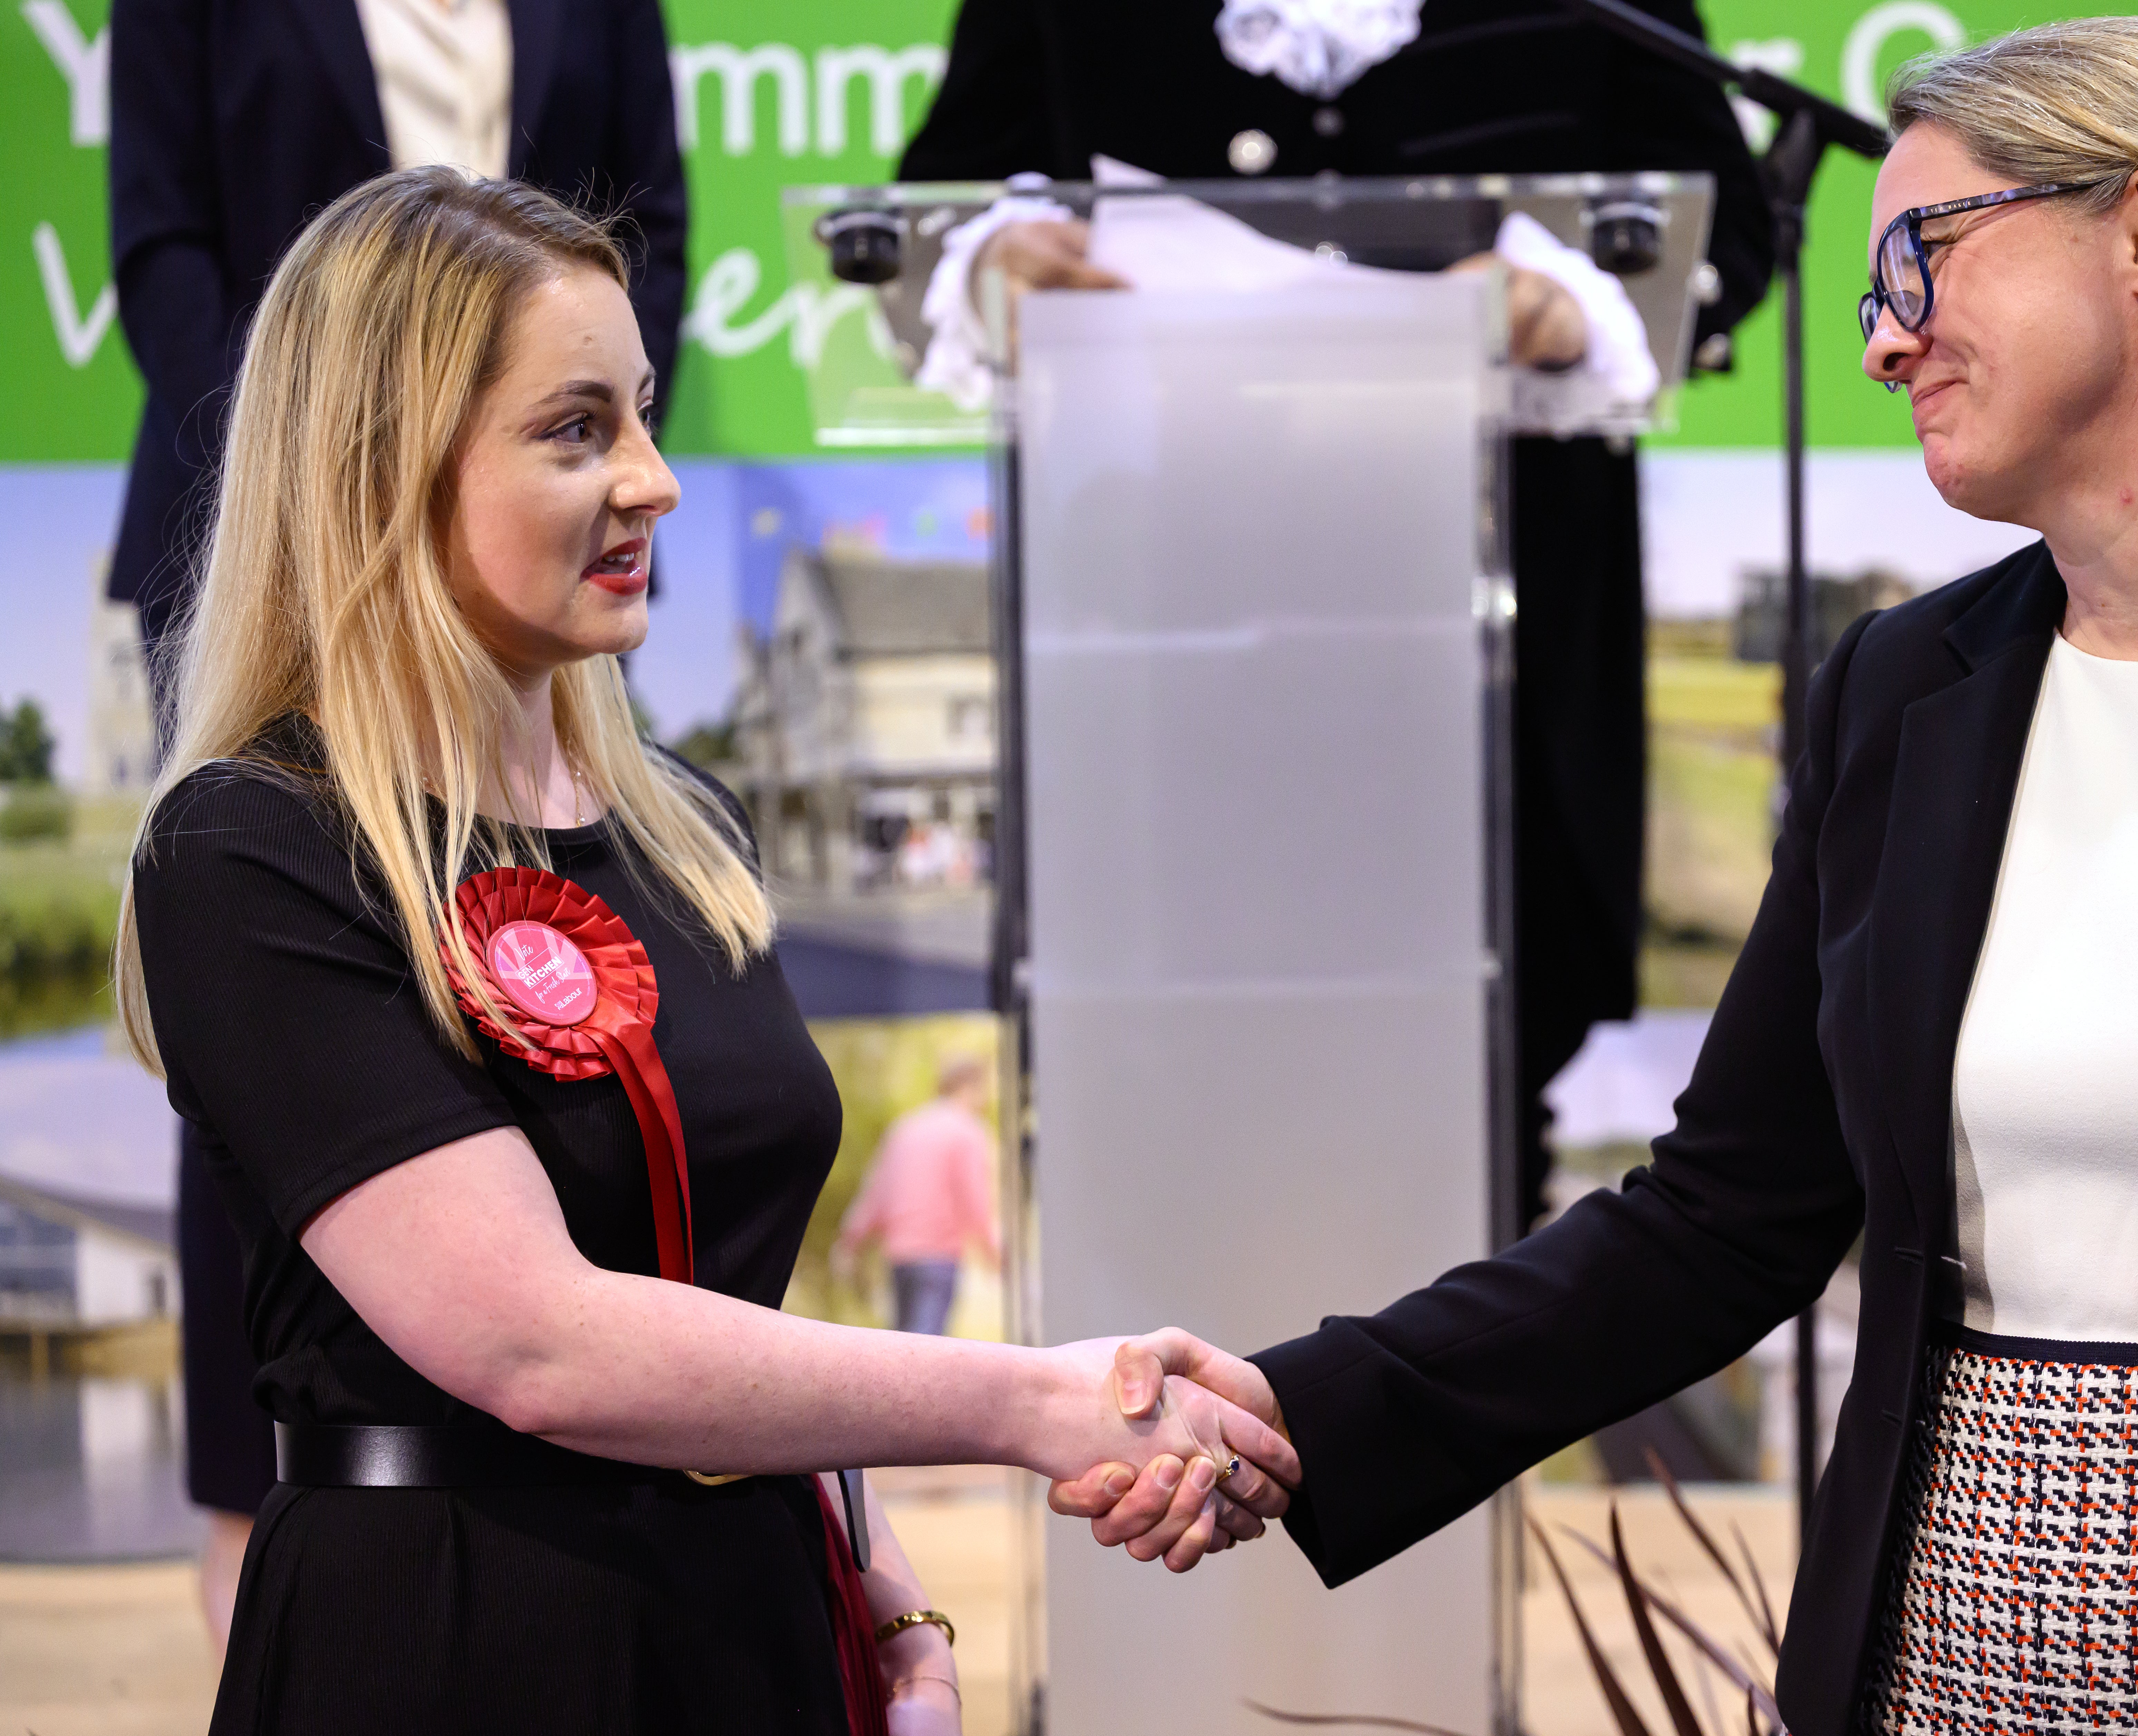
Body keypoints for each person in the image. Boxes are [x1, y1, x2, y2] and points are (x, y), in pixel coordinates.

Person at [1052, 18, 2138, 1734]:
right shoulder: (1901, 695)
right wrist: (1294, 1409)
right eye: (1873, 289)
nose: (1881, 342)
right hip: (1944, 1648)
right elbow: (1717, 1220)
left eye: (1919, 260)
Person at [116, 169, 1292, 1734]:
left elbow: (734, 1284)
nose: (655, 481)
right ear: (381, 466)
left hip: (752, 1625)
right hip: (455, 1648)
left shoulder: (690, 829)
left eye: (643, 416)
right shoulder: (251, 850)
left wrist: (882, 1590)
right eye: (577, 429)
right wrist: (1036, 1404)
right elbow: (534, 1341)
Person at [895, 0, 1777, 1225]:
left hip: (1498, 651)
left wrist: (1568, 301)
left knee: (1482, 1124)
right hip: (1167, 632)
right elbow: (943, 200)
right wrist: (992, 267)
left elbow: (1723, 222)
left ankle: (1469, 1406)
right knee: (1169, 1134)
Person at [107, 0, 690, 1647]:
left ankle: (650, 1462)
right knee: (284, 1056)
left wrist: (579, 452)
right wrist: (344, 469)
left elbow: (663, 224)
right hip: (298, 509)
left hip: (526, 523)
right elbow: (161, 243)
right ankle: (279, 1527)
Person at [832, 1055, 1002, 1336]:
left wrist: (850, 1240)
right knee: (926, 1351)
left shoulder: (905, 1128)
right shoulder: (967, 1131)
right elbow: (974, 1200)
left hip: (900, 1259)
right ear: (970, 1087)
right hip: (937, 1257)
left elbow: (876, 1194)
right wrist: (992, 1252)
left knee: (903, 1344)